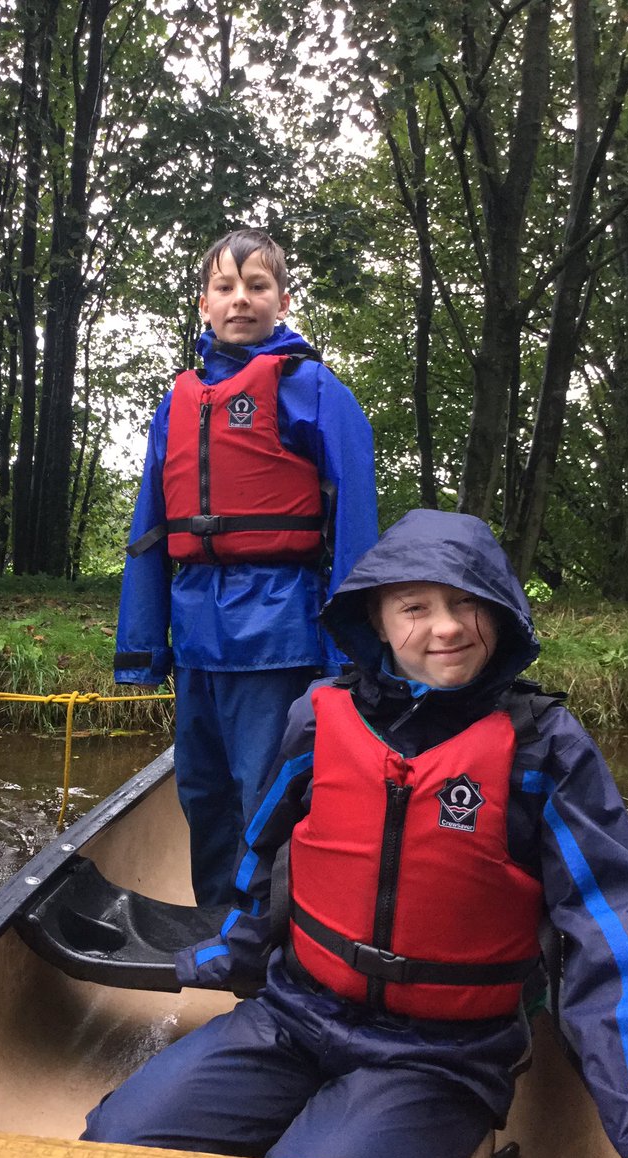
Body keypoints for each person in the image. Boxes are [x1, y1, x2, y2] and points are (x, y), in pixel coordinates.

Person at [85, 509, 628, 1158]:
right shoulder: (318, 717)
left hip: (444, 1053)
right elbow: (261, 857)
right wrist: (233, 954)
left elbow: (614, 940)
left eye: (468, 602)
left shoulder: (545, 748)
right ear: (377, 621)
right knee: (113, 1145)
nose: (445, 627)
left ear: (502, 614)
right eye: (415, 607)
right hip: (293, 1013)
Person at [114, 228, 377, 906]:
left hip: (279, 628)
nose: (241, 299)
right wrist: (142, 651)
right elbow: (149, 528)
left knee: (268, 792)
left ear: (282, 300)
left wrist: (357, 651)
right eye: (226, 288)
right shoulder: (178, 400)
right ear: (204, 304)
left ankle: (268, 936)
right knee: (202, 789)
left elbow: (355, 526)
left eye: (257, 286)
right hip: (197, 632)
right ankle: (217, 926)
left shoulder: (311, 388)